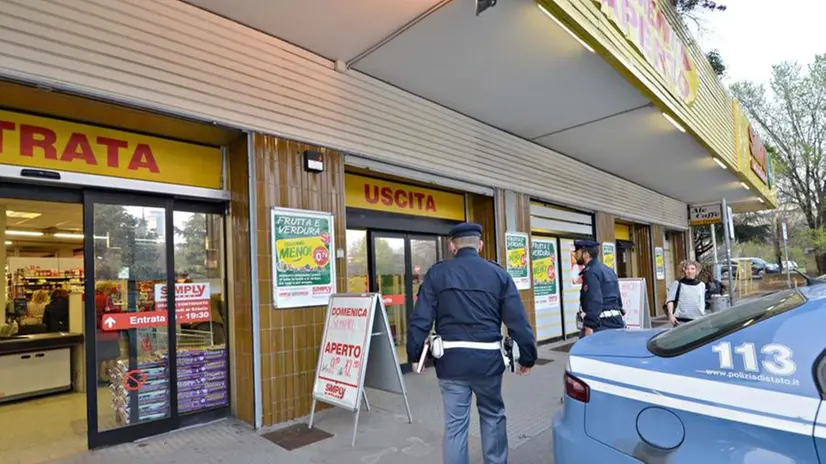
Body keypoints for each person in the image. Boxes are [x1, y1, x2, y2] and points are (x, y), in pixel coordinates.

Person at [407, 222, 537, 464]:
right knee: (493, 416)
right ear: (480, 245)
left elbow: (420, 319)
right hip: (488, 363)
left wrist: (416, 355)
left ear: (452, 246)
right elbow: (517, 319)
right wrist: (528, 356)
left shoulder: (437, 273)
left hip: (451, 363)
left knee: (455, 426)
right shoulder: (498, 274)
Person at [575, 240, 625, 337]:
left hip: (601, 324)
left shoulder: (591, 273)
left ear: (586, 254)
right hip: (616, 321)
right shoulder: (608, 270)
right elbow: (617, 297)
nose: (575, 256)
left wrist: (589, 326)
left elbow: (594, 300)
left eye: (577, 253)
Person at [666, 259, 706, 325]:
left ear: (697, 270)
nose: (690, 271)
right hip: (681, 320)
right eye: (687, 269)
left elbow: (701, 302)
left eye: (692, 269)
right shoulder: (677, 284)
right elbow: (670, 300)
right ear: (684, 271)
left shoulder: (701, 285)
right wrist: (671, 315)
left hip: (698, 320)